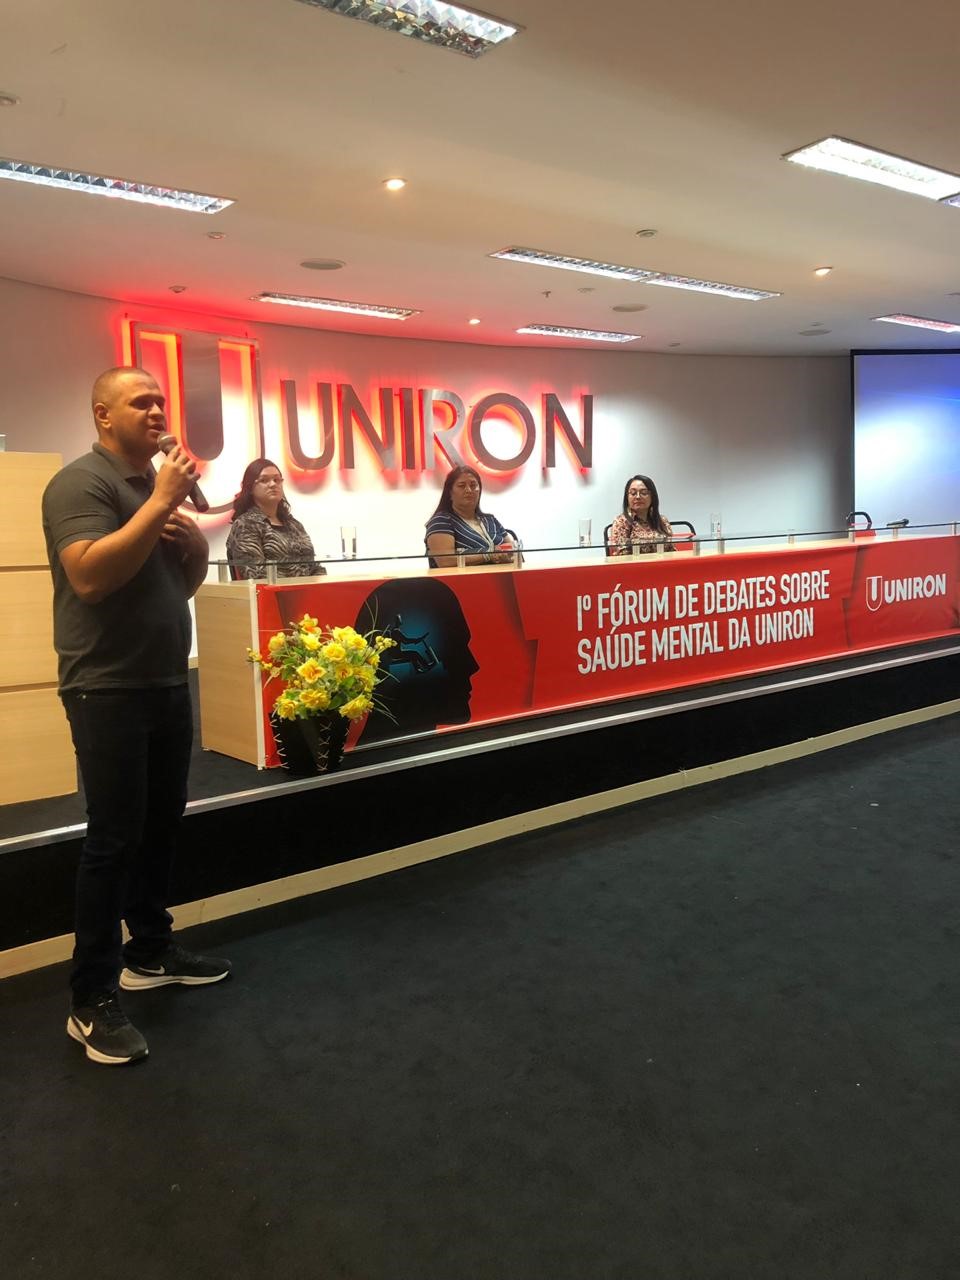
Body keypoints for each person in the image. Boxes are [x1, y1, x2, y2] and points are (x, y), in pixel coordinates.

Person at [42, 366, 231, 1067]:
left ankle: (149, 952)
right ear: (102, 414)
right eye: (140, 402)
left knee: (160, 824)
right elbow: (90, 576)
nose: (157, 412)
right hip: (107, 687)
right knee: (114, 839)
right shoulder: (81, 484)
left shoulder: (155, 488)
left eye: (160, 401)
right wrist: (159, 503)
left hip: (164, 681)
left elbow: (174, 586)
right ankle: (90, 998)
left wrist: (196, 549)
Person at [225, 458, 323, 578]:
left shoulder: (294, 525)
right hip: (273, 589)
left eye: (277, 480)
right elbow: (254, 573)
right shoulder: (245, 525)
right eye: (264, 480)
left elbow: (314, 567)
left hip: (306, 588)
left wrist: (321, 583)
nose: (273, 484)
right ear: (250, 488)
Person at [424, 465, 516, 568]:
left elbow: (514, 550)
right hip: (463, 578)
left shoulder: (490, 520)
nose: (468, 490)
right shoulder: (441, 521)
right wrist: (488, 555)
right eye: (461, 486)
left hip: (503, 575)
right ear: (450, 492)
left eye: (473, 485)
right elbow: (446, 561)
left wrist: (506, 555)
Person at [607, 474, 674, 555]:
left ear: (652, 497)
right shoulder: (621, 521)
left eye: (644, 493)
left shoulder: (662, 520)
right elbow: (622, 554)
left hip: (664, 562)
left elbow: (671, 550)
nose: (638, 497)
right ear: (627, 497)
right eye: (633, 493)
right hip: (636, 563)